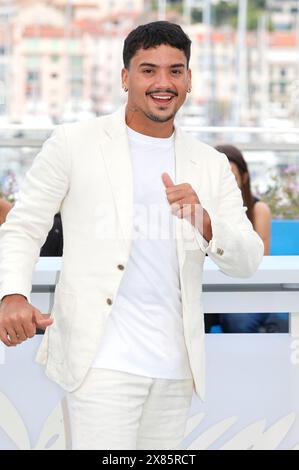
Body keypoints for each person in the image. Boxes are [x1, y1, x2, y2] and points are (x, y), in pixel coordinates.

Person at [0, 21, 264, 450]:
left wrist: (207, 223)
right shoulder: (74, 143)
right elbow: (24, 226)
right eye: (148, 70)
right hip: (100, 363)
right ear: (125, 78)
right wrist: (12, 293)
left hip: (176, 368)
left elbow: (248, 259)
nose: (164, 83)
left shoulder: (210, 164)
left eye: (175, 71)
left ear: (189, 79)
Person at [211, 144, 287, 333]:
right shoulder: (202, 211)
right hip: (209, 291)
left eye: (230, 178)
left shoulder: (258, 210)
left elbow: (259, 263)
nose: (223, 185)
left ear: (243, 178)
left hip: (246, 293)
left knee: (237, 319)